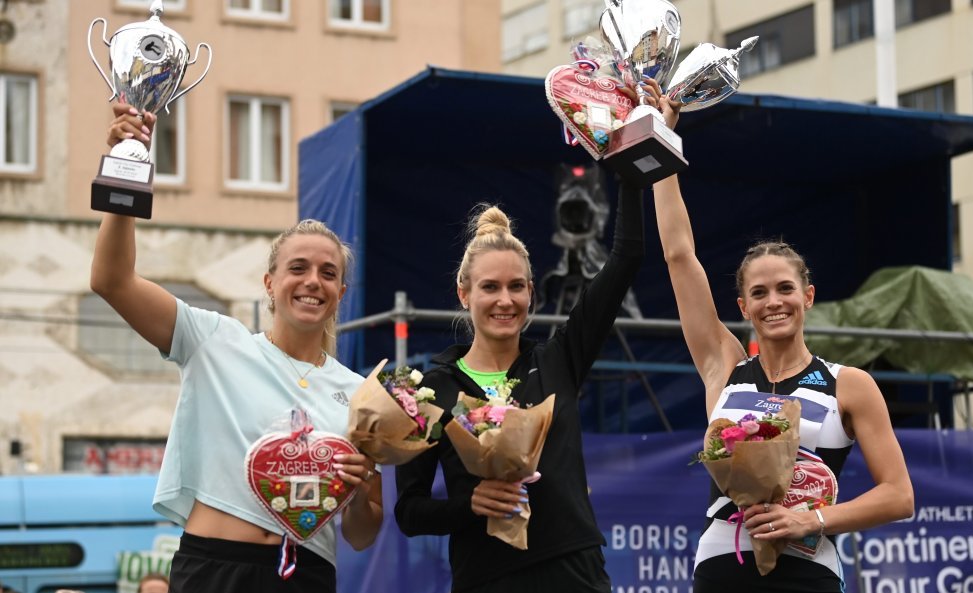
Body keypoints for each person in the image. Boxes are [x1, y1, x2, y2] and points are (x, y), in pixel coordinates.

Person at [91, 103, 382, 592]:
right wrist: (129, 165)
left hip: (306, 576)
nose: (313, 281)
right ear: (270, 283)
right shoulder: (213, 340)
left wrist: (365, 488)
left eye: (328, 273)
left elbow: (360, 535)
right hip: (214, 570)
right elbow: (111, 280)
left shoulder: (361, 394)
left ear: (341, 295)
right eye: (298, 268)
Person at [647, 82, 914, 592]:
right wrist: (660, 139)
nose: (775, 302)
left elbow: (899, 495)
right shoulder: (722, 365)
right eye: (760, 293)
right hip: (723, 566)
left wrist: (811, 520)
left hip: (808, 570)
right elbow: (679, 256)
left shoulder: (849, 384)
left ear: (808, 296)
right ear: (743, 307)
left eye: (786, 289)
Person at [393, 141, 655, 590]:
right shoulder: (428, 389)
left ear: (532, 291)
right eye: (490, 287)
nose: (505, 300)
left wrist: (632, 161)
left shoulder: (559, 358)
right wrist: (471, 503)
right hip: (486, 576)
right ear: (464, 294)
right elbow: (409, 512)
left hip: (574, 570)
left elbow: (627, 257)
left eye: (517, 287)